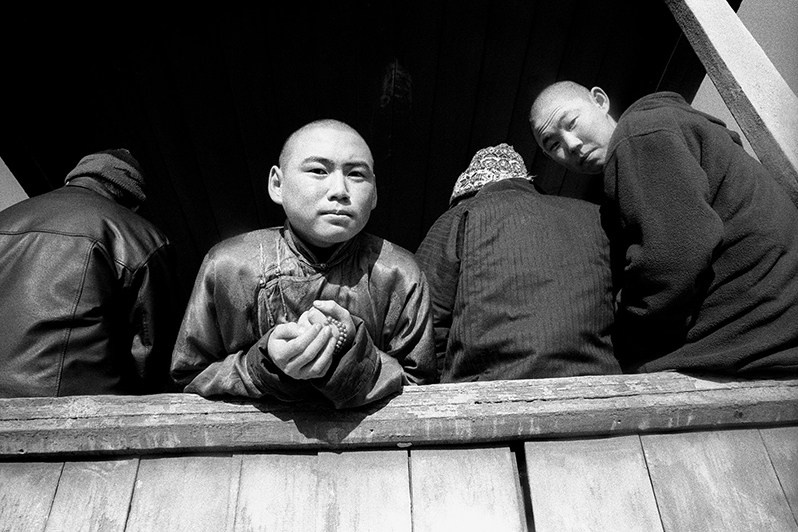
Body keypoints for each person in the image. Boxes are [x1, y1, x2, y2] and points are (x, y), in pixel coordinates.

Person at [529, 81, 798, 375]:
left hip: (753, 334)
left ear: (600, 100)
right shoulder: (667, 127)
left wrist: (623, 338)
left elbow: (672, 260)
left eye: (572, 123)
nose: (571, 145)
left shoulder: (638, 134)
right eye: (553, 144)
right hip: (771, 325)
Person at [170, 119, 436, 408]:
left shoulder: (399, 272)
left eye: (357, 174)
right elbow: (189, 377)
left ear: (375, 194)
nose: (340, 190)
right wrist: (264, 363)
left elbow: (420, 386)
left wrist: (350, 348)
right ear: (277, 184)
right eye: (318, 171)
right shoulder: (229, 266)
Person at [416, 143, 620, 382]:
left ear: (466, 193)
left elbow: (425, 325)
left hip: (488, 396)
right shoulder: (595, 216)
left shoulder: (461, 217)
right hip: (600, 387)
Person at [0, 149, 180, 397]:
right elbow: (151, 348)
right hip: (78, 413)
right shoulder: (140, 236)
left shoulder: (5, 220)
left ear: (74, 178)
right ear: (134, 200)